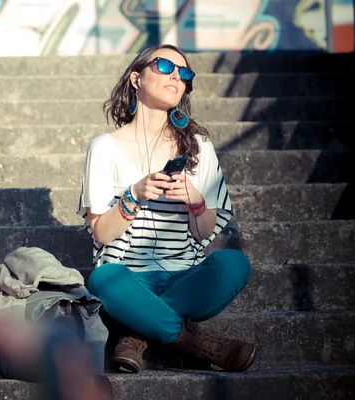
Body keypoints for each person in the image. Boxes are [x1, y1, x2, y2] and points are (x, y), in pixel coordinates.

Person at [77, 44, 256, 374]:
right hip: (129, 278)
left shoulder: (199, 146)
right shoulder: (103, 148)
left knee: (234, 263)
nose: (177, 75)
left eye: (185, 73)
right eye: (164, 66)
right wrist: (134, 194)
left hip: (186, 276)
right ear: (136, 79)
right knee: (103, 279)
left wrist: (196, 201)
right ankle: (194, 343)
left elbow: (205, 231)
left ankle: (136, 330)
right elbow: (101, 232)